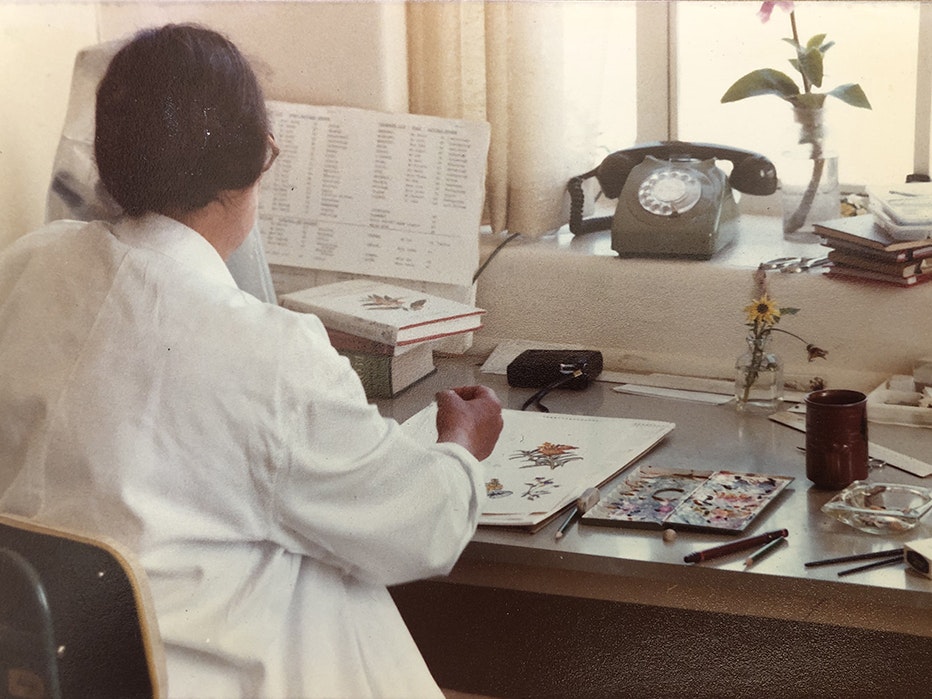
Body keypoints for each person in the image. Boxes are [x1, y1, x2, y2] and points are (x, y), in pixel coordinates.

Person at [0, 23, 502, 698]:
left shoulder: (24, 266)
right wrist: (461, 452)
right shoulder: (272, 355)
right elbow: (420, 530)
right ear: (259, 158)